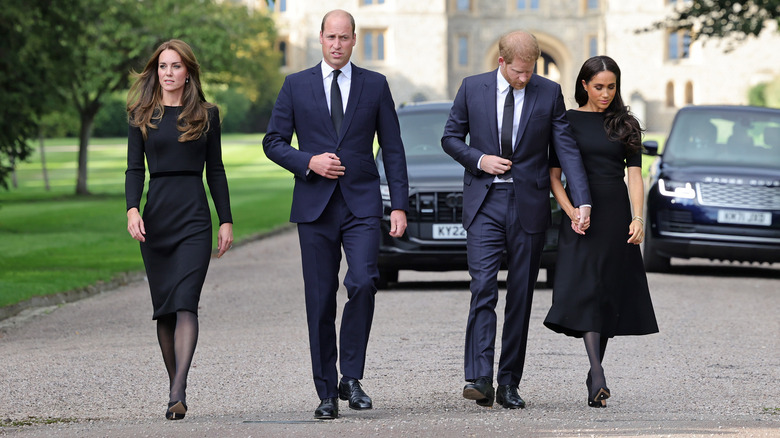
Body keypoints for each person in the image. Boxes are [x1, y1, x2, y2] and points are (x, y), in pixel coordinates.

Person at [262, 9, 409, 420]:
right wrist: (309, 161)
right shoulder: (295, 85)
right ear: (321, 39)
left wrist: (398, 204)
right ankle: (326, 392)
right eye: (331, 37)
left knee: (363, 283)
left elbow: (392, 149)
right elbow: (272, 142)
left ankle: (352, 377)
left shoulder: (375, 85)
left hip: (362, 204)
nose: (338, 44)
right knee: (321, 300)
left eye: (345, 37)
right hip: (314, 207)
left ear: (354, 39)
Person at [441, 30, 592, 409]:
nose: (525, 78)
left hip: (529, 203)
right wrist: (479, 159)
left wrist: (582, 199)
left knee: (521, 296)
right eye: (519, 72)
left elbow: (566, 147)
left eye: (530, 71)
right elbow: (450, 137)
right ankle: (479, 378)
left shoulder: (548, 92)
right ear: (501, 62)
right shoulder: (471, 88)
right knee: (483, 290)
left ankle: (509, 382)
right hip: (485, 201)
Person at [125, 39, 233, 420]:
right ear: (156, 72)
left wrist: (226, 220)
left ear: (188, 71)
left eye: (175, 66)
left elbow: (216, 171)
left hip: (194, 220)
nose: (168, 73)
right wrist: (132, 209)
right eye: (162, 66)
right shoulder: (142, 115)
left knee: (186, 301)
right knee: (165, 310)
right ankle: (176, 389)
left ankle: (177, 389)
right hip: (157, 221)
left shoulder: (207, 114)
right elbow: (134, 169)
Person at [543, 55, 659, 408]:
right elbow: (553, 176)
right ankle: (598, 373)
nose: (605, 93)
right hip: (580, 215)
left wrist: (637, 218)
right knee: (588, 289)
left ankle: (595, 373)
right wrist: (571, 212)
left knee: (607, 290)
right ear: (583, 85)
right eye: (598, 87)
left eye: (611, 86)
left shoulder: (626, 124)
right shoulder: (566, 121)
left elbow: (635, 175)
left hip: (615, 213)